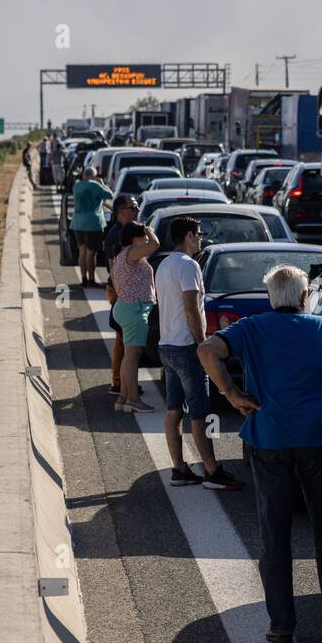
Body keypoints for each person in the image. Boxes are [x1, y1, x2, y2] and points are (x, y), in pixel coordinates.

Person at [198, 264, 322, 643]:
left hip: (269, 438)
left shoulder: (251, 328)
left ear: (271, 298)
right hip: (320, 437)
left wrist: (232, 394)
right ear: (304, 297)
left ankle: (282, 626)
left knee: (274, 532)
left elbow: (207, 350)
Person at [154, 217, 243, 491]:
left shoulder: (164, 264)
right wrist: (202, 345)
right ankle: (212, 471)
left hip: (166, 344)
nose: (201, 239)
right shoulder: (189, 265)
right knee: (200, 412)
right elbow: (192, 308)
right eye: (200, 235)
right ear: (190, 236)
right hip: (187, 347)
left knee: (173, 409)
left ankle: (180, 469)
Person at [109, 222, 159, 413]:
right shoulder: (131, 252)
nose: (146, 240)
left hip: (127, 307)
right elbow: (155, 245)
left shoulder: (125, 255)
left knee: (128, 356)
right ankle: (133, 400)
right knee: (132, 357)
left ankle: (123, 397)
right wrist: (150, 232)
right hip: (134, 309)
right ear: (134, 238)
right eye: (143, 237)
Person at [103, 195, 140, 398]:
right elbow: (114, 269)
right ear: (120, 211)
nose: (136, 210)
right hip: (120, 290)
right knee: (122, 338)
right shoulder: (116, 236)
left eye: (136, 207)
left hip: (126, 291)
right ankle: (118, 382)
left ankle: (125, 381)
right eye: (133, 207)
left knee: (127, 339)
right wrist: (122, 296)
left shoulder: (127, 232)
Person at [71, 167, 112, 287]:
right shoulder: (95, 185)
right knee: (91, 253)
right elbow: (110, 195)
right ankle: (91, 279)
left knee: (82, 252)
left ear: (84, 175)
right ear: (94, 176)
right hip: (93, 223)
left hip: (77, 223)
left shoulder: (77, 186)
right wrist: (102, 183)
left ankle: (83, 279)